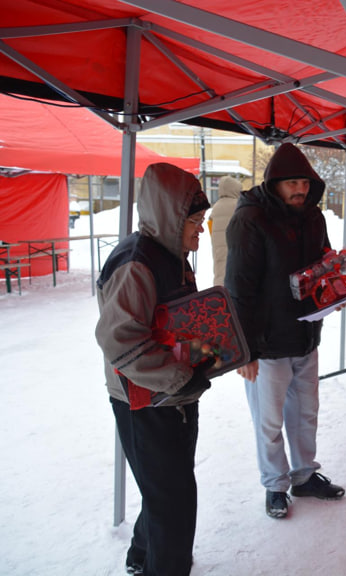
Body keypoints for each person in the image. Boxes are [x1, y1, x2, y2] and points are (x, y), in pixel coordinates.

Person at [94, 163, 212, 576]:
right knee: (174, 503)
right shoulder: (136, 264)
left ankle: (143, 555)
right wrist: (181, 375)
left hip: (174, 394)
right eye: (194, 222)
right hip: (146, 400)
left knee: (165, 489)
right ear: (171, 217)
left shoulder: (173, 255)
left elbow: (171, 321)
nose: (200, 231)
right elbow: (119, 340)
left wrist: (206, 351)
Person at [225, 143, 345, 520]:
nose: (301, 190)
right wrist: (244, 351)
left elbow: (321, 263)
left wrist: (334, 280)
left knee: (306, 413)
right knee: (269, 420)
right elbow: (238, 288)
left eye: (305, 183)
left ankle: (304, 475)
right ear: (275, 183)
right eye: (293, 183)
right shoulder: (250, 220)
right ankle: (275, 485)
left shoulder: (313, 217)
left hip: (306, 335)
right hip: (265, 343)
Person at [208, 175, 242, 286]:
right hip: (236, 249)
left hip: (218, 250)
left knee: (220, 272)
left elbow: (210, 228)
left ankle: (220, 295)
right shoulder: (239, 206)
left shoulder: (215, 208)